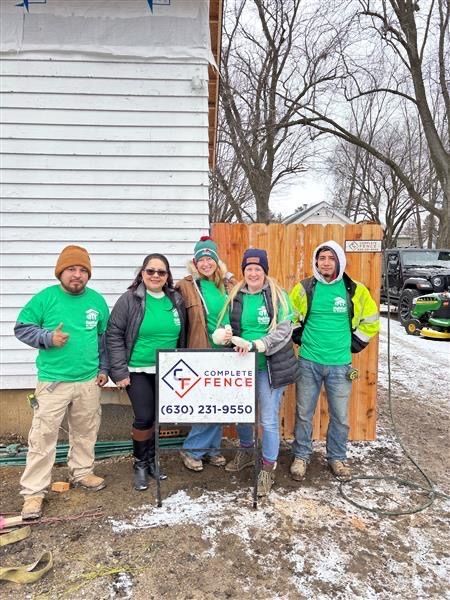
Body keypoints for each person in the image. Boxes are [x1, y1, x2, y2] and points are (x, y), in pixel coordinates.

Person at [14, 245, 110, 520]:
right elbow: (22, 328)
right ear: (61, 272)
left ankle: (82, 472)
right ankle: (33, 492)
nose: (77, 275)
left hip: (88, 380)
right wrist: (47, 338)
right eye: (71, 270)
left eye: (82, 270)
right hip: (53, 382)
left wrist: (104, 368)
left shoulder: (97, 301)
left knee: (85, 430)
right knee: (43, 436)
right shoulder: (45, 299)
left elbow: (104, 339)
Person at [289, 240, 380, 482]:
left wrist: (356, 344)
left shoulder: (355, 290)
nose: (326, 262)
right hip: (308, 362)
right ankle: (301, 456)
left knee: (340, 415)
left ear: (339, 261)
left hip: (341, 364)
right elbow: (289, 316)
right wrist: (299, 336)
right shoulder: (304, 288)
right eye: (321, 258)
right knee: (304, 412)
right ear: (316, 262)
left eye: (330, 258)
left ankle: (337, 457)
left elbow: (371, 320)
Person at [213, 248, 300, 497]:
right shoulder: (235, 296)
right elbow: (223, 326)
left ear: (264, 271)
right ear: (244, 271)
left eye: (257, 269)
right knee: (243, 412)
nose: (253, 273)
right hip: (242, 367)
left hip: (270, 367)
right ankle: (247, 451)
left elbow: (285, 330)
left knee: (269, 419)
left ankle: (267, 468)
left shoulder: (277, 295)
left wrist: (257, 345)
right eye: (249, 269)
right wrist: (226, 335)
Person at [106, 254, 186, 491]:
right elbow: (114, 334)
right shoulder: (130, 300)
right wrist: (119, 371)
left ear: (167, 276)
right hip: (137, 368)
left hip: (168, 369)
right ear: (142, 274)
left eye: (161, 272)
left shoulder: (176, 300)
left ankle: (152, 462)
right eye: (150, 271)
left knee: (158, 417)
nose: (155, 276)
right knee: (144, 416)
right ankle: (140, 464)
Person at [176, 236, 234, 472]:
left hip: (228, 351)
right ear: (195, 262)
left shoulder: (229, 285)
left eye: (210, 258)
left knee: (220, 401)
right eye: (202, 259)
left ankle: (212, 449)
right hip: (202, 350)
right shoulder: (186, 286)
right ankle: (192, 449)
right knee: (206, 403)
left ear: (217, 261)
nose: (206, 263)